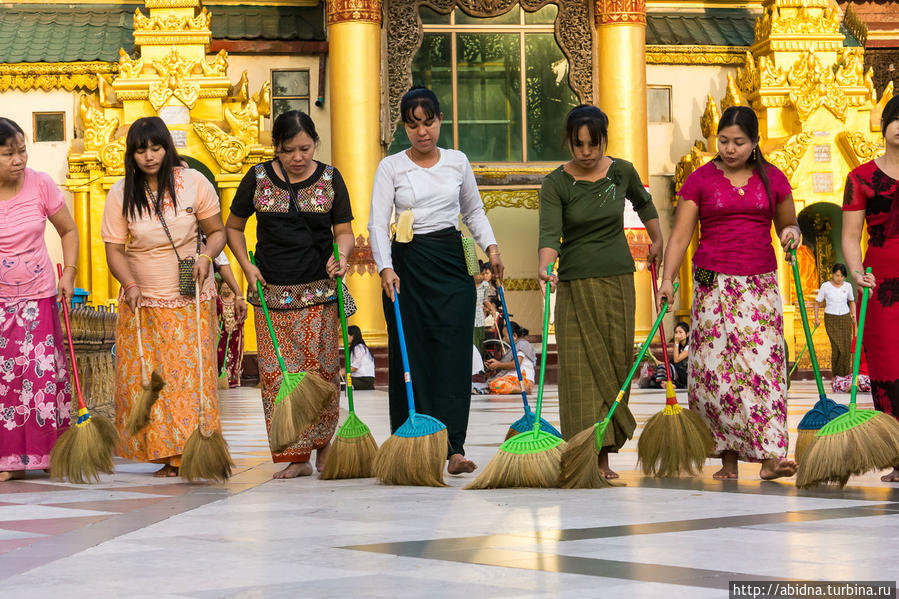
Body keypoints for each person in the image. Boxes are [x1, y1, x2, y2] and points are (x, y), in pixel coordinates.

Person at [657, 105, 801, 481]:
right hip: (713, 285)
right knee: (715, 373)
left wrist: (790, 236)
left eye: (739, 142)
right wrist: (666, 278)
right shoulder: (701, 180)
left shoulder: (773, 179)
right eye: (723, 141)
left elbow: (788, 224)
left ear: (755, 143)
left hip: (759, 286)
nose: (730, 148)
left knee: (763, 370)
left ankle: (771, 456)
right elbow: (680, 236)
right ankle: (727, 458)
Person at [369, 86, 503, 475]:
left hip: (450, 263)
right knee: (411, 356)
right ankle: (411, 445)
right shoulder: (390, 167)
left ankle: (454, 448)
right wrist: (385, 267)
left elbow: (473, 211)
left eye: (428, 122)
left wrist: (491, 247)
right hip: (407, 267)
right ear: (404, 128)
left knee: (453, 355)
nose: (422, 132)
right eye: (413, 125)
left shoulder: (457, 162)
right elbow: (378, 222)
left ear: (440, 120)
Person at [225, 110, 354, 479]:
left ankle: (325, 445)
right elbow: (234, 227)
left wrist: (340, 255)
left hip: (319, 291)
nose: (297, 158)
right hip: (271, 294)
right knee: (279, 378)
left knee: (322, 374)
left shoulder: (330, 178)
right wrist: (245, 266)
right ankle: (297, 456)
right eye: (287, 150)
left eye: (305, 148)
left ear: (315, 143)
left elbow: (343, 231)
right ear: (275, 148)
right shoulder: (258, 178)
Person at [538, 104, 663, 479]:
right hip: (574, 284)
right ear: (570, 143)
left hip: (617, 280)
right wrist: (545, 266)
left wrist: (657, 239)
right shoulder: (555, 183)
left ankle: (605, 456)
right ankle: (584, 454)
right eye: (578, 145)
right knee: (579, 372)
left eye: (593, 144)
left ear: (603, 140)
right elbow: (549, 234)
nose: (586, 152)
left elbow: (645, 203)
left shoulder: (621, 171)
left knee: (613, 364)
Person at [102, 116, 227, 478]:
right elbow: (113, 250)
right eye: (141, 150)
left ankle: (192, 451)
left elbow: (216, 232)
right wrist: (130, 285)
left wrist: (205, 257)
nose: (149, 156)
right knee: (152, 379)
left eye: (156, 148)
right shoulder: (120, 192)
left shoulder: (194, 183)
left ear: (167, 147)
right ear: (132, 154)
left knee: (191, 378)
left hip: (191, 297)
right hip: (144, 302)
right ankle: (166, 452)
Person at [0, 118, 78, 482]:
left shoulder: (42, 184)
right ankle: (9, 459)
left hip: (38, 296)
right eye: (8, 154)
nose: (19, 160)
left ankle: (48, 453)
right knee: (6, 379)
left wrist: (70, 273)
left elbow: (68, 230)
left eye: (22, 151)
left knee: (41, 375)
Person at [841, 94, 899, 482]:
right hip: (882, 285)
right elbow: (850, 236)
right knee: (889, 365)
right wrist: (856, 271)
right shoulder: (860, 177)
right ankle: (897, 454)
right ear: (885, 125)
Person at [814, 263, 856, 378]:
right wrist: (816, 318)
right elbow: (817, 303)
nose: (839, 278)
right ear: (832, 274)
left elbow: (851, 301)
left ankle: (844, 375)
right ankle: (836, 376)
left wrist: (854, 316)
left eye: (842, 276)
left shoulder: (848, 286)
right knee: (837, 347)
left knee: (846, 348)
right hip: (831, 319)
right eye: (837, 275)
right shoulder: (825, 286)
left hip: (845, 317)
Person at [214, 252, 247, 387]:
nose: (226, 289)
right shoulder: (218, 300)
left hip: (235, 333)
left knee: (234, 355)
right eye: (225, 286)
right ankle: (221, 378)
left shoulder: (236, 301)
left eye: (229, 287)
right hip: (222, 333)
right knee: (221, 356)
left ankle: (233, 379)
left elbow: (242, 316)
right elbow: (216, 314)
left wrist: (235, 323)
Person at [485, 322, 536, 395]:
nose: (504, 339)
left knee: (494, 385)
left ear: (514, 336)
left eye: (505, 336)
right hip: (515, 378)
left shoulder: (522, 345)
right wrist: (497, 363)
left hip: (523, 379)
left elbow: (516, 365)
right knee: (493, 386)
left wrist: (499, 365)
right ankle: (518, 389)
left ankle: (523, 389)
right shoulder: (517, 346)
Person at [650, 320, 690, 389]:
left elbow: (676, 360)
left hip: (686, 374)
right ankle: (664, 383)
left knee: (669, 367)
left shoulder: (689, 347)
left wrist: (676, 342)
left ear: (687, 334)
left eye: (680, 332)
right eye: (676, 332)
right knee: (661, 368)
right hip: (678, 372)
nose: (678, 334)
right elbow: (672, 362)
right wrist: (657, 361)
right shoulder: (680, 347)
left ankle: (676, 385)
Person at [346, 325, 376, 391]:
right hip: (362, 379)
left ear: (352, 336)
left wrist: (341, 372)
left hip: (363, 380)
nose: (345, 337)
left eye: (347, 335)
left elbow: (354, 367)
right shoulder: (360, 347)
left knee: (340, 381)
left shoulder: (358, 348)